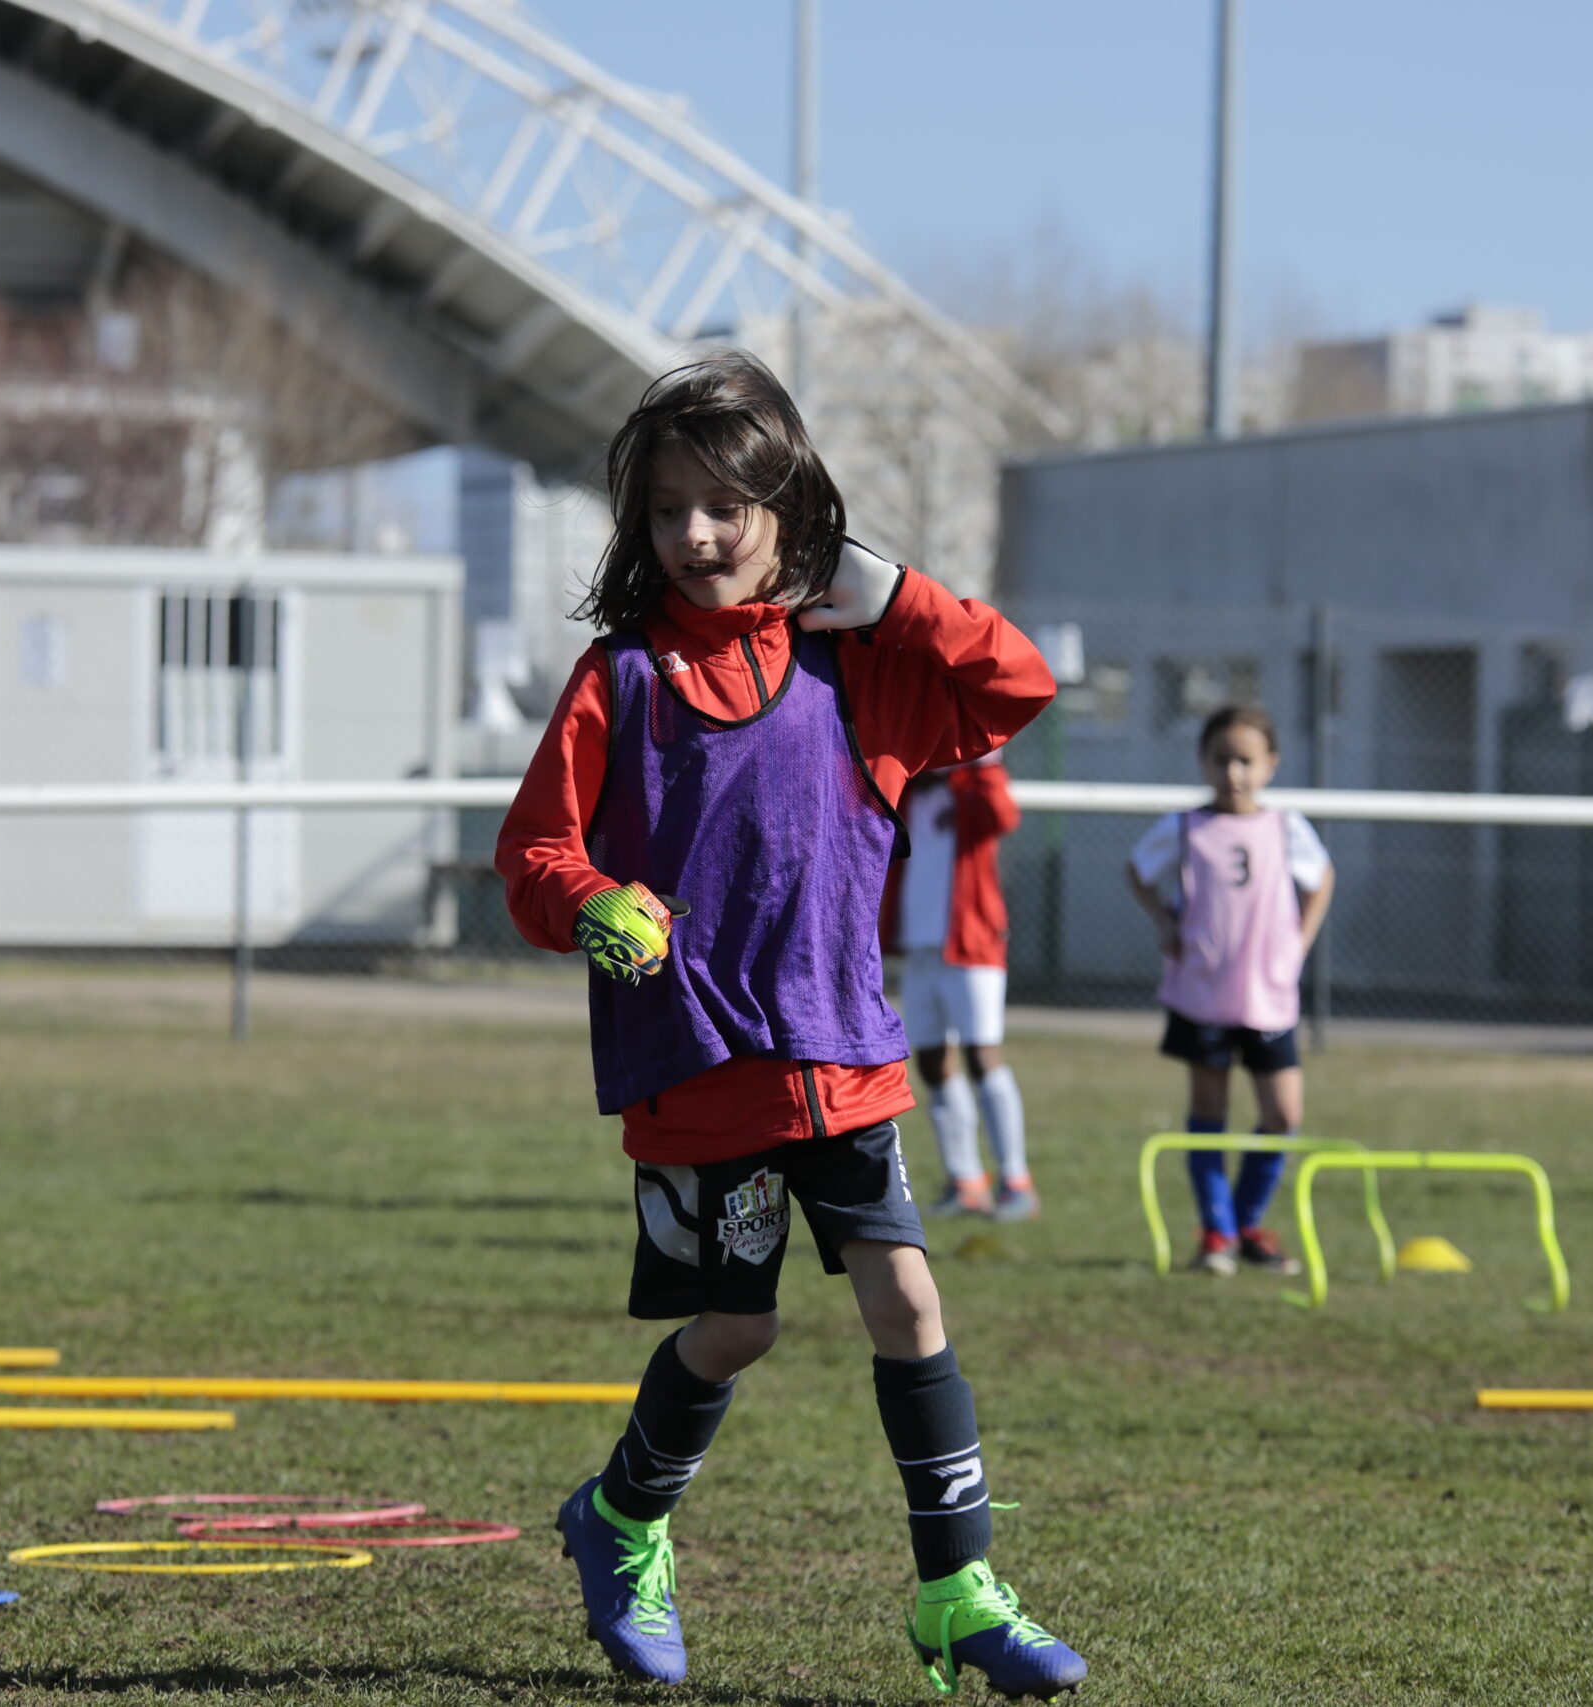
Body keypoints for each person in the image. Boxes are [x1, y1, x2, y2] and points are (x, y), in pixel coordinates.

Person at [495, 351, 1087, 1698]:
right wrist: (588, 896)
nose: (694, 534)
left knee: (910, 1296)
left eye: (726, 505)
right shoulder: (623, 680)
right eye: (665, 511)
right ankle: (622, 1516)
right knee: (736, 1326)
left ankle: (957, 1592)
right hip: (702, 1078)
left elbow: (1017, 686)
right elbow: (531, 848)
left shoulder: (857, 670)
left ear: (789, 509)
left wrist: (887, 589)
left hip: (847, 1062)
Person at [1125, 704, 1336, 1278]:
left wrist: (1299, 939)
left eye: (1246, 760)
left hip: (1268, 994)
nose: (1234, 772)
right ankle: (1215, 1232)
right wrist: (1164, 922)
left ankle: (1247, 1224)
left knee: (1283, 1114)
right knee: (1208, 1111)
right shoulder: (1185, 827)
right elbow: (1137, 870)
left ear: (1270, 764)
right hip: (1204, 991)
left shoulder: (1286, 827)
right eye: (1221, 760)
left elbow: (1321, 880)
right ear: (1204, 763)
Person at [881, 755, 1035, 1221]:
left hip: (973, 946)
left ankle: (1016, 1181)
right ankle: (966, 1181)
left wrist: (986, 760)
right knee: (931, 1061)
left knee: (982, 1057)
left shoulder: (975, 785)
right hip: (920, 947)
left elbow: (1003, 815)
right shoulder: (911, 789)